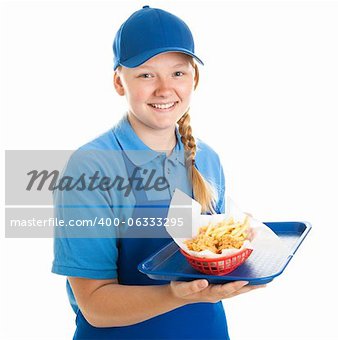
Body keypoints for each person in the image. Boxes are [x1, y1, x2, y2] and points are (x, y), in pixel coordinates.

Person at [52, 5, 264, 339]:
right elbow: (94, 305)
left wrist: (241, 240)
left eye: (178, 73)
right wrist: (173, 293)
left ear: (195, 78)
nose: (165, 89)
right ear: (119, 82)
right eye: (146, 74)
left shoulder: (206, 158)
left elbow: (204, 254)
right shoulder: (91, 167)